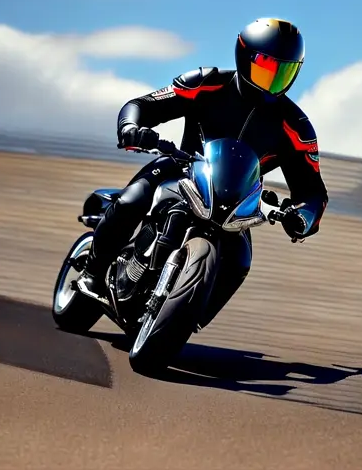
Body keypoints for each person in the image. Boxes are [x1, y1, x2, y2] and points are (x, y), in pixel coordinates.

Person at [72, 17, 329, 328]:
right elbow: (144, 104)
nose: (273, 80)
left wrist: (303, 217)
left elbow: (313, 190)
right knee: (132, 201)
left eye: (283, 71)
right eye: (266, 67)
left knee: (239, 262)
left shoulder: (296, 127)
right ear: (244, 56)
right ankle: (93, 273)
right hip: (181, 168)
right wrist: (131, 127)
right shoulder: (208, 82)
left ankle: (187, 320)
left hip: (238, 199)